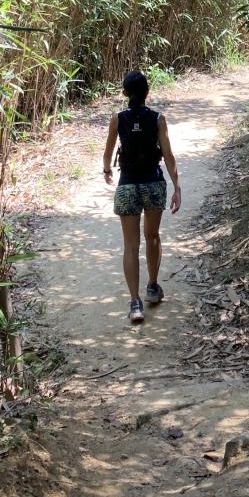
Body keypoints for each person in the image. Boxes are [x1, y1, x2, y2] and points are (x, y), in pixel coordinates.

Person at [103, 70, 182, 324]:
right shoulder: (158, 119)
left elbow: (107, 154)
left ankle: (135, 303)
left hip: (127, 186)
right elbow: (168, 156)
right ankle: (152, 287)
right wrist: (177, 186)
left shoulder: (117, 119)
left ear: (125, 93)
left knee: (130, 245)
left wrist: (107, 170)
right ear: (148, 92)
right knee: (152, 237)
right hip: (153, 185)